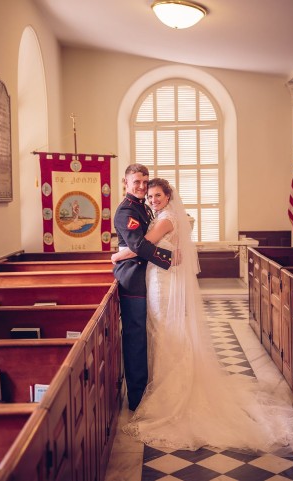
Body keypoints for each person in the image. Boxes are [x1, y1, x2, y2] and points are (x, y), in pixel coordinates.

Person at [112, 178, 293, 452]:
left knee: (163, 332)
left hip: (163, 283)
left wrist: (115, 257)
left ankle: (171, 394)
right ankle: (163, 386)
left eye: (157, 195)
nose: (152, 199)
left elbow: (142, 245)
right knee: (162, 332)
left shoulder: (165, 218)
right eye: (150, 196)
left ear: (168, 195)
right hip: (159, 278)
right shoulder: (163, 215)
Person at [113, 164, 173, 411]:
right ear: (125, 182)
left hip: (146, 276)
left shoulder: (144, 207)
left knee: (149, 335)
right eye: (136, 181)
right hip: (133, 279)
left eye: (144, 182)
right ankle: (137, 399)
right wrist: (169, 259)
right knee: (136, 338)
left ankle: (148, 388)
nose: (141, 186)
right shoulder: (126, 210)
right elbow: (138, 245)